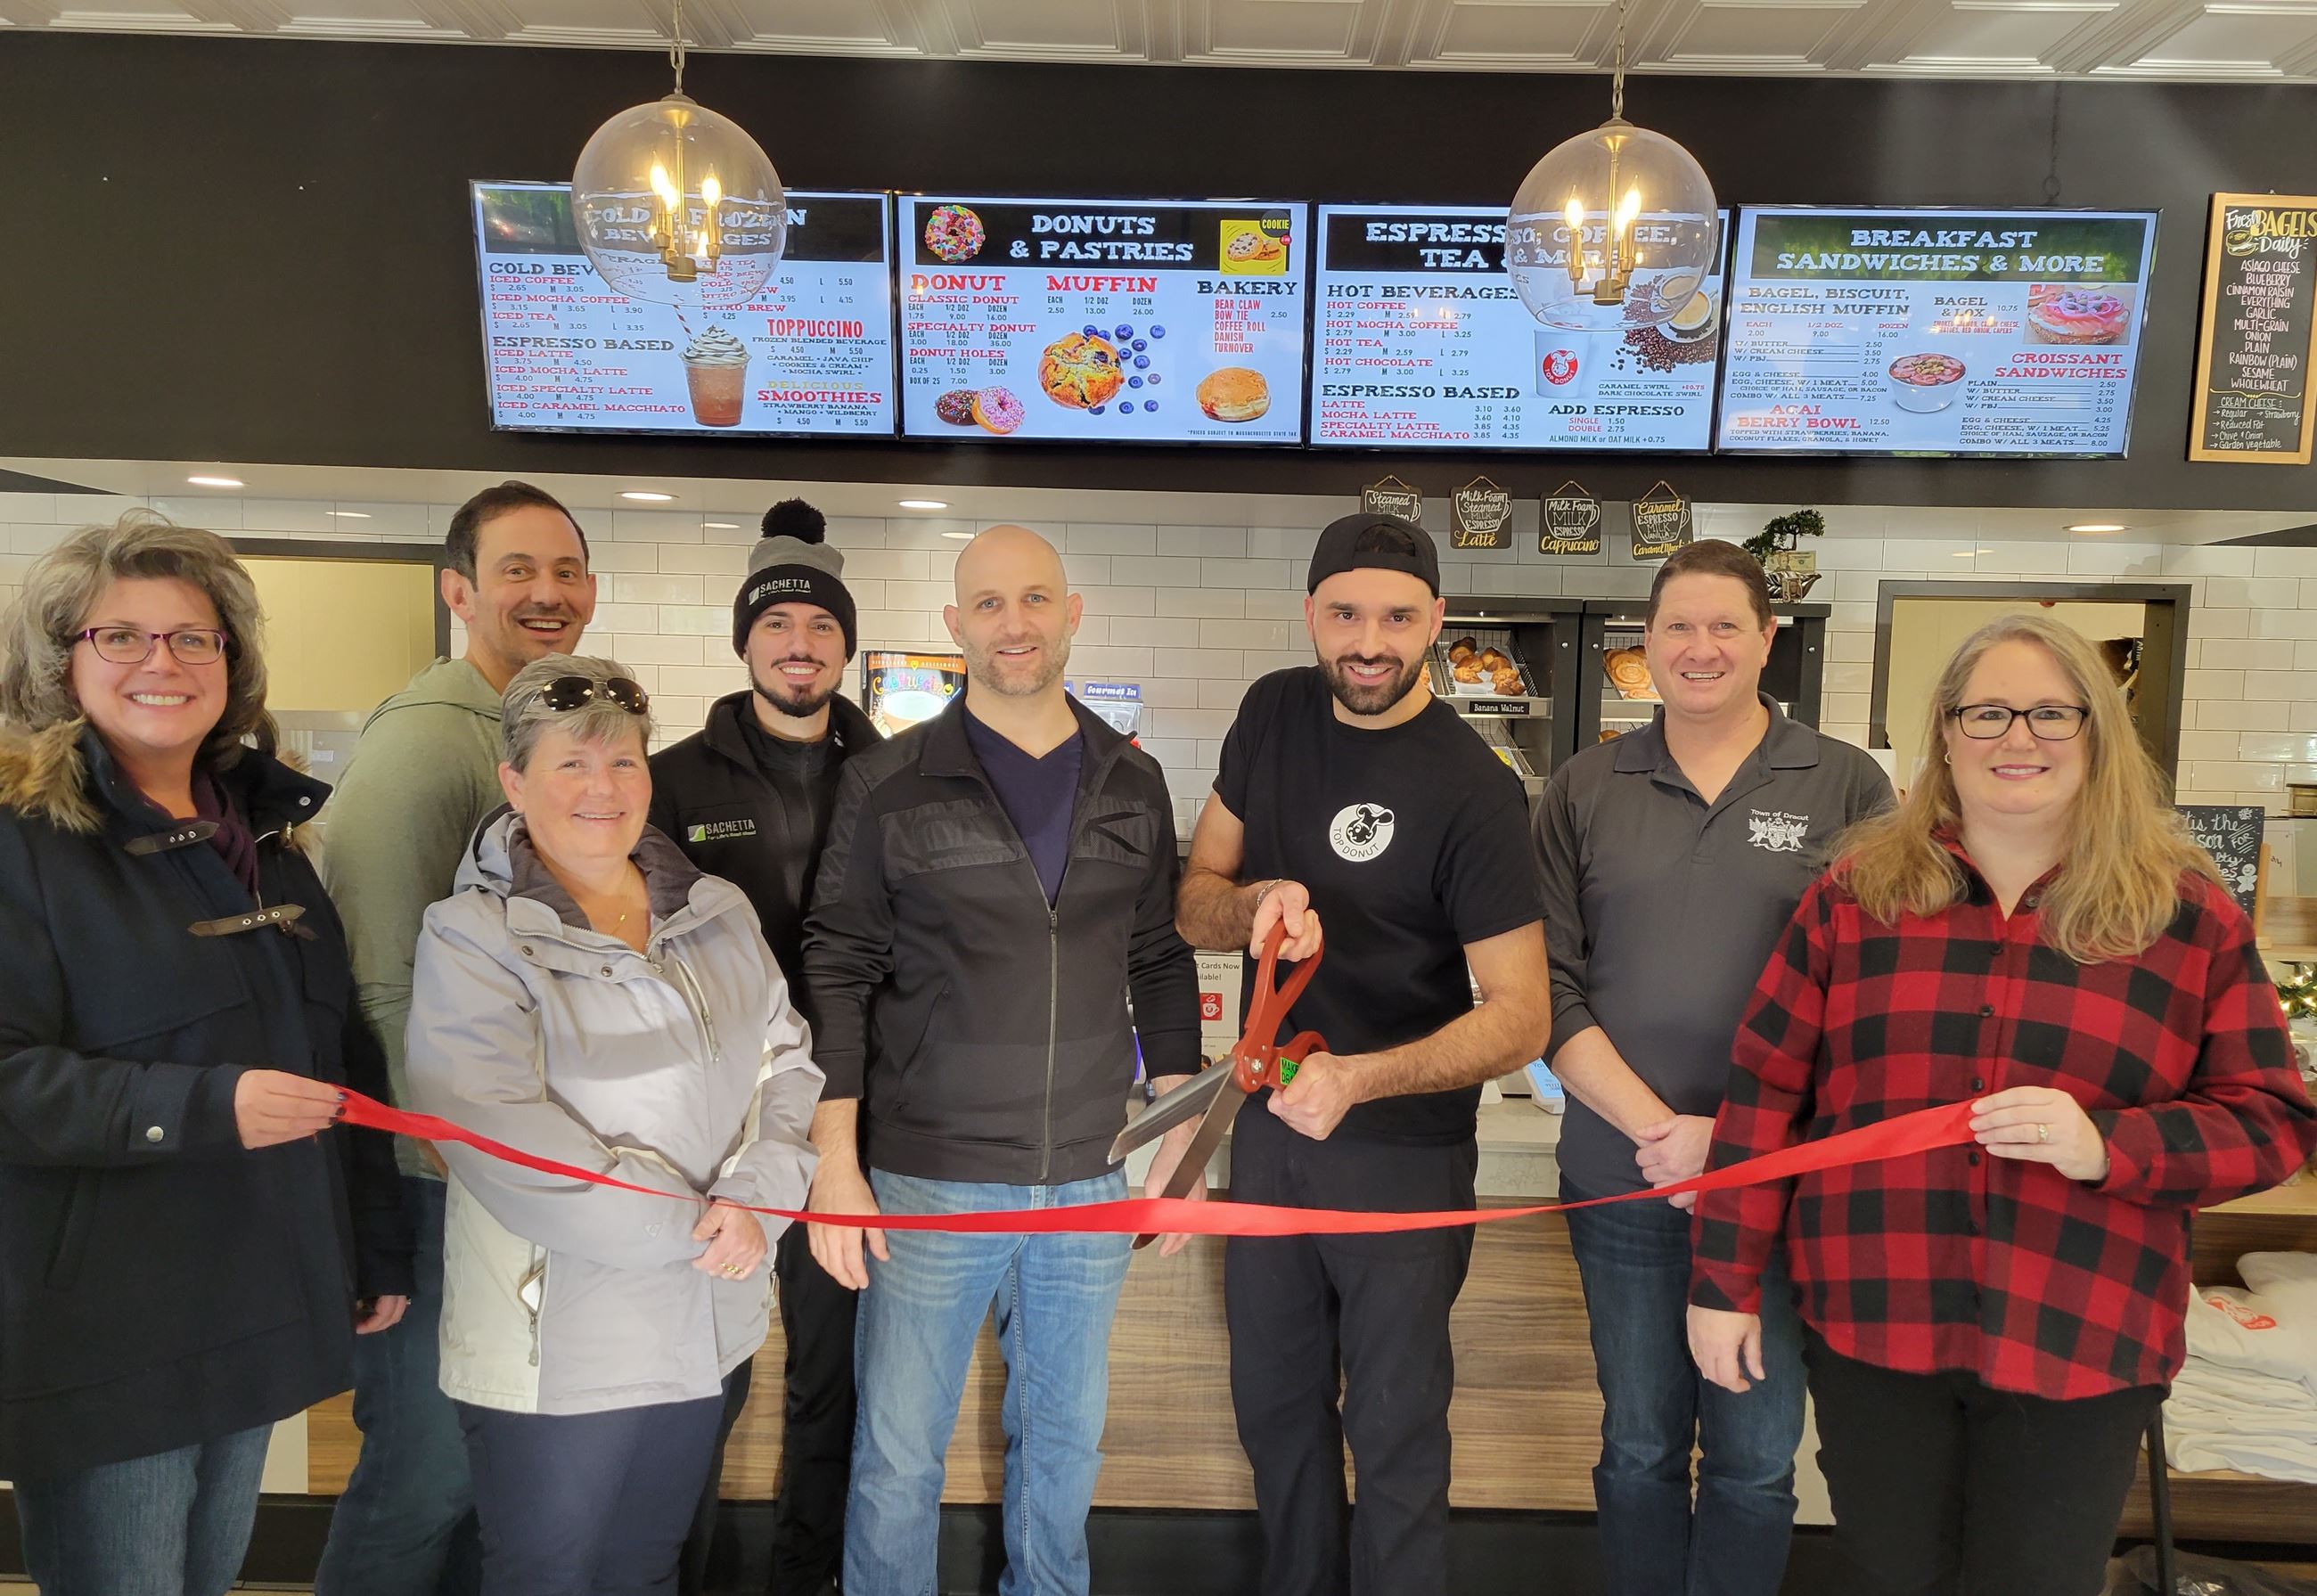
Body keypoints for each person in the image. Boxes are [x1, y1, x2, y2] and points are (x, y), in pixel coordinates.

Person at [1689, 611, 2317, 1596]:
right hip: (1875, 1323)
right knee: (1892, 1576)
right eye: (1985, 713)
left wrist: (2107, 1145)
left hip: (2081, 1337)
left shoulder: (2185, 915)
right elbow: (1765, 1095)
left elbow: (2270, 1122)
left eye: (2050, 713)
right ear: (1945, 733)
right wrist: (1720, 1285)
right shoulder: (1857, 897)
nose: (2016, 738)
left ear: (2096, 733)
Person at [0, 512, 412, 1596]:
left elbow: (340, 1061)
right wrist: (201, 1106)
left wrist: (373, 1246)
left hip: (253, 1306)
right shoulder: (21, 839)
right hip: (110, 1337)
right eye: (120, 636)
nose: (162, 663)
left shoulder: (266, 841)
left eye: (193, 638)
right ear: (60, 659)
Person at [801, 524, 1203, 1596]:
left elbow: (1158, 957)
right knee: (898, 1457)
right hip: (929, 1176)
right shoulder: (888, 784)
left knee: (1064, 1448)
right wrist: (833, 1160)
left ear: (1071, 614)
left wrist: (1177, 1142)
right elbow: (835, 968)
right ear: (954, 626)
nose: (1012, 624)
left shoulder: (1133, 779)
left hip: (1090, 1176)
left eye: (1033, 599)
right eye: (987, 603)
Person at [1175, 512, 1550, 1596]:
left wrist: (1359, 1078)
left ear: (1435, 621)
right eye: (1344, 614)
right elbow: (1194, 897)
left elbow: (1520, 1017)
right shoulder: (1272, 712)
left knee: (1392, 1435)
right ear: (1310, 615)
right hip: (1271, 1145)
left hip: (1401, 1156)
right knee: (1275, 1416)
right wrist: (1253, 901)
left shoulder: (1474, 788)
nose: (1368, 642)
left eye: (1395, 617)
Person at [405, 654, 823, 1596]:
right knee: (547, 1576)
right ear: (515, 783)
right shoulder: (472, 936)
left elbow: (785, 1068)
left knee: (645, 1569)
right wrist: (699, 1228)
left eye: (624, 761)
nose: (604, 788)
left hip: (705, 1321)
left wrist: (759, 1199)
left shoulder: (717, 912)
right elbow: (498, 1132)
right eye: (572, 764)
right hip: (557, 1342)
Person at [1535, 539, 1892, 1596]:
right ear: (1645, 643)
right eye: (1678, 627)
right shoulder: (1583, 786)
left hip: (1778, 1188)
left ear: (1766, 639)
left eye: (1724, 625)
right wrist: (1662, 1136)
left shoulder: (1846, 784)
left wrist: (1731, 1146)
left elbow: (1874, 1001)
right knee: (1637, 1443)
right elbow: (1544, 988)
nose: (1700, 647)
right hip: (1619, 1179)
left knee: (1754, 1455)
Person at [315, 479, 596, 1596]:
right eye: (516, 571)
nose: (545, 593)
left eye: (564, 571)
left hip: (511, 1176)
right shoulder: (428, 744)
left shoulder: (535, 729)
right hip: (436, 1180)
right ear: (458, 592)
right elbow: (375, 981)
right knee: (422, 1474)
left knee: (493, 1471)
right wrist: (447, 1157)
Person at [649, 497, 880, 1596]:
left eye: (822, 626)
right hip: (711, 1136)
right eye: (777, 624)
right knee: (700, 1377)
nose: (800, 644)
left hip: (849, 1129)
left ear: (846, 645)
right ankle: (675, 1575)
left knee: (833, 1381)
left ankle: (806, 1579)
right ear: (743, 641)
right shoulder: (669, 780)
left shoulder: (896, 775)